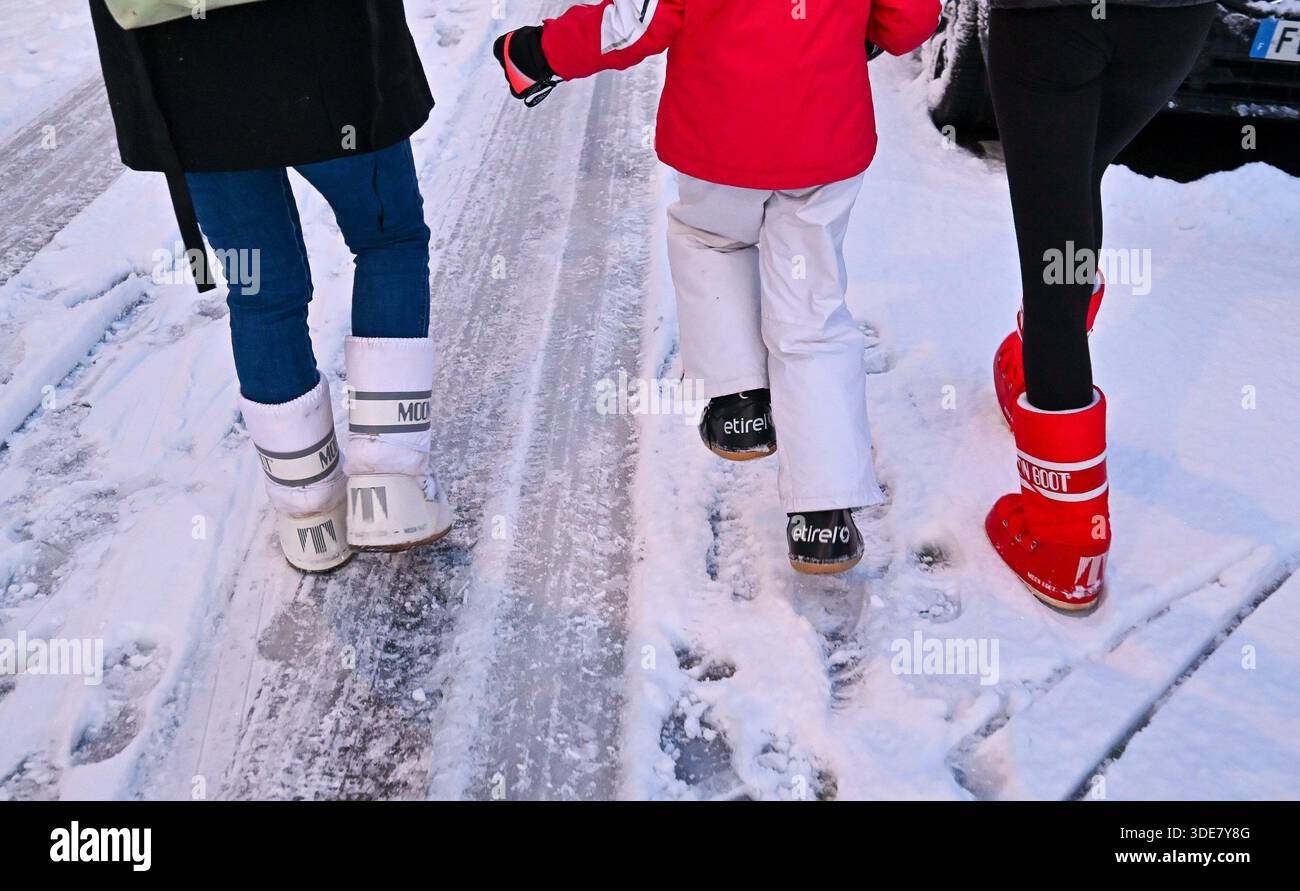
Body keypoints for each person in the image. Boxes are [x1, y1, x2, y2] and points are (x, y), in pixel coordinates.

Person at [494, 0, 940, 574]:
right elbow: (910, 19)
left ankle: (739, 401)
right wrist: (857, 36)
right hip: (824, 136)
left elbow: (637, 21)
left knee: (712, 240)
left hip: (719, 134)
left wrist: (538, 53)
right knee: (813, 316)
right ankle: (823, 516)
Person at [89, 0, 454, 572]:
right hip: (329, 49)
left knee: (259, 289)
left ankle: (308, 511)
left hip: (185, 79)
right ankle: (392, 482)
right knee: (388, 239)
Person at [983, 0, 1216, 611]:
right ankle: (1038, 365)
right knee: (1075, 179)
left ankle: (1067, 542)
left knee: (1054, 226)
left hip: (1049, 20)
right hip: (1173, 22)